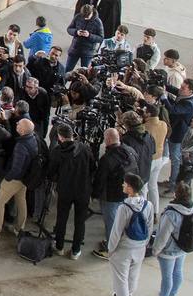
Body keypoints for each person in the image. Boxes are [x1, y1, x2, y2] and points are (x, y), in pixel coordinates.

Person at [0, 118, 37, 240]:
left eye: (19, 124)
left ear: (23, 130)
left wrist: (7, 178)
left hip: (15, 179)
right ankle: (19, 228)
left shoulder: (21, 146)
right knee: (21, 202)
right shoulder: (32, 138)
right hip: (25, 178)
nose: (16, 123)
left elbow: (16, 168)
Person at [106, 173, 153, 296]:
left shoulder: (124, 208)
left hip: (124, 249)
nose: (123, 185)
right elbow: (149, 226)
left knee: (120, 278)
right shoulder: (148, 205)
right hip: (140, 247)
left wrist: (111, 249)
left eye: (125, 184)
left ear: (130, 189)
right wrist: (144, 244)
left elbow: (117, 231)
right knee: (133, 274)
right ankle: (127, 295)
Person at [145, 182, 193, 296]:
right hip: (183, 248)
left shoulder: (171, 214)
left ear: (176, 195)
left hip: (169, 251)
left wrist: (155, 250)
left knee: (167, 276)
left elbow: (162, 235)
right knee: (178, 272)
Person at [49, 122, 94, 259]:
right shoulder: (85, 148)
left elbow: (51, 173)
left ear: (60, 137)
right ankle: (76, 250)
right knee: (80, 221)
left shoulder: (57, 152)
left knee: (61, 218)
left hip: (65, 190)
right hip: (83, 190)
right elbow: (93, 167)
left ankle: (59, 246)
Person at [92, 128, 135, 258]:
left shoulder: (107, 159)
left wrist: (94, 194)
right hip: (126, 193)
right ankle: (117, 244)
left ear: (109, 140)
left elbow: (100, 179)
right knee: (122, 221)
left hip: (110, 196)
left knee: (111, 223)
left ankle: (111, 250)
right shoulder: (129, 151)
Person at [164, 79, 193, 186]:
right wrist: (164, 85)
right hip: (174, 130)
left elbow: (173, 110)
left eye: (183, 88)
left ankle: (173, 184)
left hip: (178, 134)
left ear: (190, 91)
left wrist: (164, 98)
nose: (180, 89)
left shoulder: (189, 104)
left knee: (175, 159)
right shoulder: (185, 95)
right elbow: (175, 90)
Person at [142, 104, 168, 214]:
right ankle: (155, 212)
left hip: (149, 159)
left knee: (143, 187)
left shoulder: (145, 127)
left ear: (148, 114)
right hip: (159, 157)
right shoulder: (163, 124)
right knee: (153, 186)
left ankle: (143, 213)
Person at [65, 4, 104, 73]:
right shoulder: (78, 17)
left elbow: (101, 38)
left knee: (84, 73)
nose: (85, 18)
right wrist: (76, 32)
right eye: (84, 17)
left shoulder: (98, 22)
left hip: (87, 53)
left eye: (87, 17)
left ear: (91, 12)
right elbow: (69, 29)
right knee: (67, 70)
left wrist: (89, 35)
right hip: (75, 49)